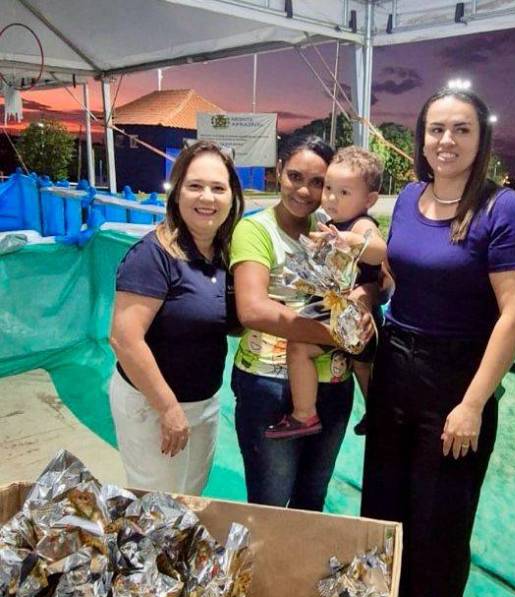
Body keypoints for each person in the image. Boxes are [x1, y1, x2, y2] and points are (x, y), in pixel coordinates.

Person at [361, 87, 515, 597]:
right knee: (384, 503)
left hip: (457, 378)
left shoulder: (501, 208)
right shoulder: (410, 197)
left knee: (441, 517)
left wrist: (473, 403)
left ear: (480, 139)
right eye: (437, 129)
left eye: (461, 129)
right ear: (421, 137)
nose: (447, 140)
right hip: (396, 365)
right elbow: (404, 268)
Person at [230, 134, 374, 510]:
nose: (305, 191)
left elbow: (379, 278)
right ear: (279, 171)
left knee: (312, 500)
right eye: (295, 176)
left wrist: (362, 301)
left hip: (334, 384)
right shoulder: (255, 230)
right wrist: (339, 334)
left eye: (318, 182)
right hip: (270, 386)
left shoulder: (331, 228)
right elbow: (253, 310)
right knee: (271, 503)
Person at [109, 140, 244, 494]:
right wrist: (167, 408)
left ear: (232, 197)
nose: (207, 197)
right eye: (195, 185)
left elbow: (224, 321)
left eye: (218, 188)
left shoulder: (224, 254)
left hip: (203, 403)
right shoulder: (152, 256)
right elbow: (124, 339)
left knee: (189, 500)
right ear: (177, 192)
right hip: (153, 405)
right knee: (158, 505)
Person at [265, 146, 386, 439]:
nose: (331, 197)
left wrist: (350, 240)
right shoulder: (331, 223)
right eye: (329, 188)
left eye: (344, 192)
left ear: (369, 200)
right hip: (346, 316)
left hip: (355, 320)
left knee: (299, 348)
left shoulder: (361, 224)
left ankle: (304, 414)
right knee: (362, 367)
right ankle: (377, 415)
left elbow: (380, 250)